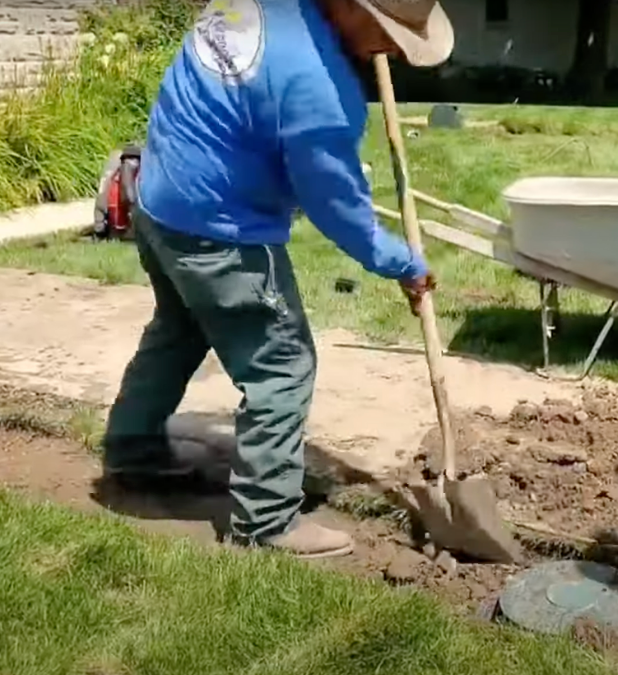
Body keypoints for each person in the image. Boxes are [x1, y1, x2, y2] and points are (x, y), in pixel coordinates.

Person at [100, 0, 453, 559]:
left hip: (159, 199)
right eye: (386, 33)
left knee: (180, 329)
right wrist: (402, 262)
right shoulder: (321, 91)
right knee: (283, 366)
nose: (390, 49)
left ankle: (132, 449)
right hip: (221, 232)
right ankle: (265, 520)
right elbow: (336, 207)